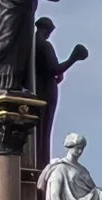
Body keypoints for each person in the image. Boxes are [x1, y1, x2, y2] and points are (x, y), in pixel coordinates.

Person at [32, 18, 87, 168]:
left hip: (40, 87)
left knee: (41, 129)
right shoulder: (44, 45)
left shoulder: (31, 45)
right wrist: (73, 58)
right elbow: (55, 70)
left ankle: (40, 162)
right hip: (46, 91)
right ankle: (42, 163)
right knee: (45, 129)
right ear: (47, 30)